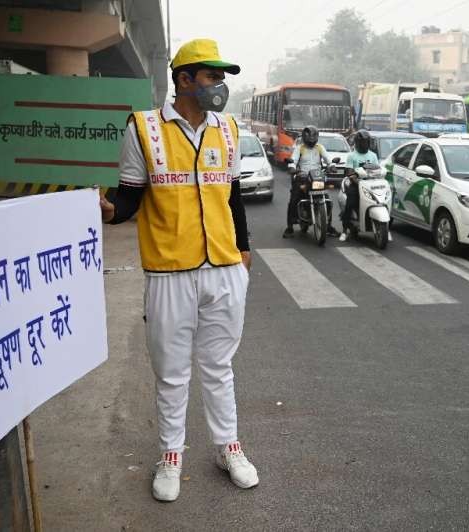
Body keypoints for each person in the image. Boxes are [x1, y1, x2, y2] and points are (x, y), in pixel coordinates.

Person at [99, 38, 258, 502]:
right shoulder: (143, 128)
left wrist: (243, 253)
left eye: (223, 78)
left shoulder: (227, 129)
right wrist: (110, 211)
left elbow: (233, 198)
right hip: (169, 271)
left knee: (219, 367)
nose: (220, 86)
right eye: (212, 76)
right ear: (184, 80)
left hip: (224, 269)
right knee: (171, 373)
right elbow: (129, 196)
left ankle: (229, 448)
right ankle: (171, 457)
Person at [282, 125, 339, 238]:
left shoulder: (320, 148)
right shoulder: (300, 148)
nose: (311, 141)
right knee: (294, 199)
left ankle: (329, 227)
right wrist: (292, 167)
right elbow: (293, 160)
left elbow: (328, 159)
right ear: (304, 137)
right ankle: (289, 227)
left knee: (327, 199)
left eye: (314, 138)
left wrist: (332, 165)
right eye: (309, 138)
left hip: (317, 177)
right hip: (303, 177)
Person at [339, 129, 379, 242]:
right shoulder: (352, 156)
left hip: (371, 185)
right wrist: (356, 180)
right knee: (350, 203)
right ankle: (344, 230)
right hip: (356, 185)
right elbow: (349, 172)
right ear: (357, 143)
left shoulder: (373, 155)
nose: (364, 144)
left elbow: (378, 169)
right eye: (362, 142)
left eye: (366, 142)